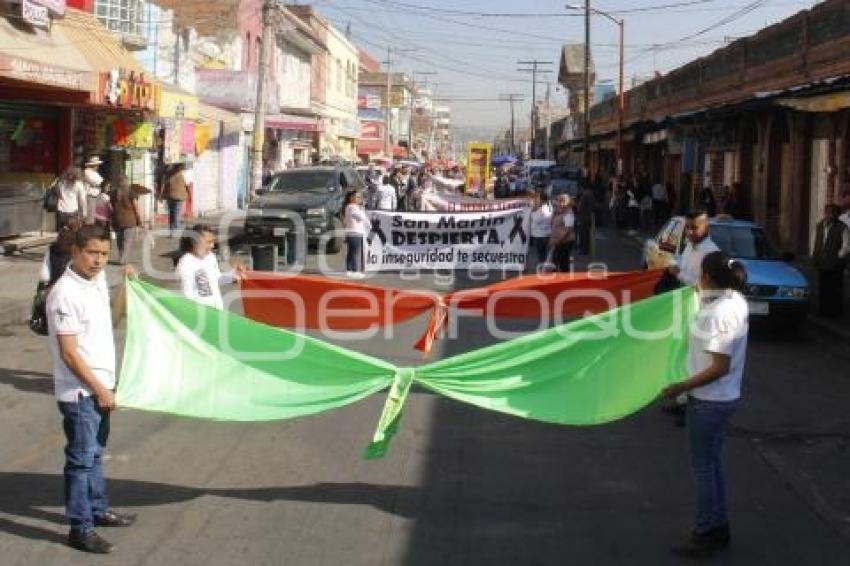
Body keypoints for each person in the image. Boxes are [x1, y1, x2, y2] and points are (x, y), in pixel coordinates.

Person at [46, 225, 138, 554]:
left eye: (104, 254)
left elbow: (112, 313)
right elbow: (70, 353)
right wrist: (100, 388)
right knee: (81, 461)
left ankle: (98, 511)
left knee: (96, 455)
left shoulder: (95, 280)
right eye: (92, 253)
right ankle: (80, 527)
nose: (98, 261)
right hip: (81, 392)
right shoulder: (63, 294)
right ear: (75, 252)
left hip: (101, 388)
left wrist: (126, 279)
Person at [662, 251, 749, 558]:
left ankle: (704, 532)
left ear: (709, 276)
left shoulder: (720, 313)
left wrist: (680, 388)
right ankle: (718, 525)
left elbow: (719, 365)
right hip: (722, 400)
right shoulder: (734, 300)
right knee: (712, 466)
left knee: (703, 468)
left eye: (700, 273)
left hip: (710, 402)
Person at [175, 224, 246, 310]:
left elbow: (216, 279)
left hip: (217, 312)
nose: (212, 246)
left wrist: (233, 275)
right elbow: (187, 299)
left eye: (213, 241)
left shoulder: (210, 257)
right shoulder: (186, 264)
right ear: (195, 243)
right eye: (208, 242)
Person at [812, 203, 850, 318]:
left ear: (837, 214)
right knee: (823, 288)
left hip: (835, 264)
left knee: (835, 288)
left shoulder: (842, 227)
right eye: (828, 212)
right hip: (822, 262)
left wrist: (838, 257)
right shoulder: (820, 226)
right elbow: (815, 241)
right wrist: (814, 256)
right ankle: (823, 311)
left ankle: (835, 313)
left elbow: (846, 246)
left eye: (832, 212)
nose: (829, 215)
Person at [111, 178, 142, 264]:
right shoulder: (131, 193)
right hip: (129, 219)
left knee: (119, 240)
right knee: (127, 241)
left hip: (117, 219)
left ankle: (121, 257)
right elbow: (136, 207)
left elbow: (111, 206)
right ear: (127, 183)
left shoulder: (114, 193)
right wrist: (139, 220)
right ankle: (123, 259)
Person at [343, 191, 370, 278]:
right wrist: (361, 210)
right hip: (355, 231)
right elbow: (360, 217)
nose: (359, 199)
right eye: (357, 197)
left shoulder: (348, 207)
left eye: (359, 197)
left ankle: (349, 270)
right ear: (351, 198)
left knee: (351, 252)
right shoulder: (353, 207)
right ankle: (355, 270)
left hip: (350, 231)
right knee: (355, 252)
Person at [549, 194, 576, 273]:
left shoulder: (569, 213)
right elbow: (552, 222)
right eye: (558, 201)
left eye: (561, 201)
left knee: (562, 262)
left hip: (565, 241)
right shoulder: (559, 212)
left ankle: (563, 278)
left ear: (566, 202)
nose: (559, 203)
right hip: (558, 241)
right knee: (557, 261)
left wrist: (559, 240)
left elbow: (568, 230)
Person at [162, 164, 190, 237]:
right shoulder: (183, 174)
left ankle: (172, 232)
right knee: (177, 214)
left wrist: (162, 195)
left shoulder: (168, 174)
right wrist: (189, 196)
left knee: (171, 214)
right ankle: (177, 231)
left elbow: (165, 185)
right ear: (179, 167)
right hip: (179, 197)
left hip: (170, 196)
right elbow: (187, 186)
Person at [528, 191, 553, 268]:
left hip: (540, 235)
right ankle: (545, 266)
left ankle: (543, 268)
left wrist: (532, 213)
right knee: (545, 252)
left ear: (542, 200)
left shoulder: (542, 209)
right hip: (547, 233)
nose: (537, 200)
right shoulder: (550, 207)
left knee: (541, 254)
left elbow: (536, 220)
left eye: (538, 199)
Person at [82, 156, 105, 225]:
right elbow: (97, 182)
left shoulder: (95, 173)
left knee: (98, 216)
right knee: (90, 216)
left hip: (97, 195)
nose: (97, 167)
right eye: (96, 165)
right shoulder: (87, 172)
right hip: (91, 196)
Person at [577, 184, 596, 255]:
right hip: (589, 216)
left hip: (583, 217)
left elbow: (580, 207)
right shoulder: (591, 194)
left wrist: (577, 205)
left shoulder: (584, 195)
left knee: (583, 234)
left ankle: (583, 250)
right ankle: (586, 249)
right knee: (586, 233)